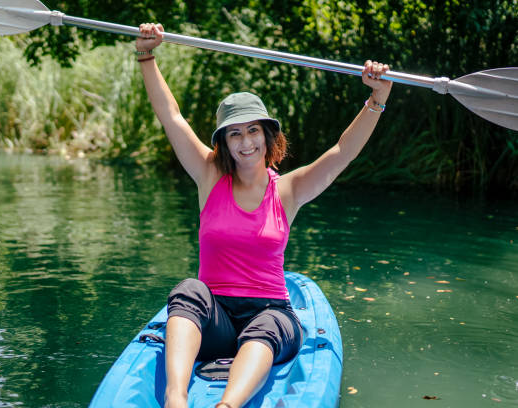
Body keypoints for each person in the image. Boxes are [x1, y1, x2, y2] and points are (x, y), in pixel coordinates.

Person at [135, 23, 392, 408]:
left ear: (268, 135)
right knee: (188, 289)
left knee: (267, 326)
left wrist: (377, 98)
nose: (246, 142)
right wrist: (146, 55)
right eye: (234, 134)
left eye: (253, 130)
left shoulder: (288, 190)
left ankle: (228, 405)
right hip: (216, 318)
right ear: (223, 141)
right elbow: (171, 117)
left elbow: (343, 152)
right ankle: (176, 399)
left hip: (271, 315)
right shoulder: (208, 175)